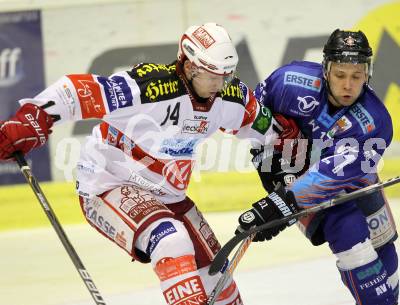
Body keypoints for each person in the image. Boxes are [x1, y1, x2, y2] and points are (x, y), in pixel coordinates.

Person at [0, 23, 301, 305]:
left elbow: (272, 130)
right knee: (170, 239)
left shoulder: (228, 96)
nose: (221, 85)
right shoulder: (150, 86)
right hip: (107, 184)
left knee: (217, 280)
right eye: (213, 75)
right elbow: (77, 90)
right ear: (189, 65)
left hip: (169, 194)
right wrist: (33, 117)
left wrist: (288, 170)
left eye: (226, 75)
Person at [237, 29, 399, 305]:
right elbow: (252, 121)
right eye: (340, 75)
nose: (348, 85)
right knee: (349, 234)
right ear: (325, 70)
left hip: (354, 178)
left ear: (367, 74)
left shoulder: (376, 123)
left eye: (356, 76)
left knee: (382, 247)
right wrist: (269, 171)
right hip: (293, 170)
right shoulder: (288, 81)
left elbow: (331, 177)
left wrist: (281, 204)